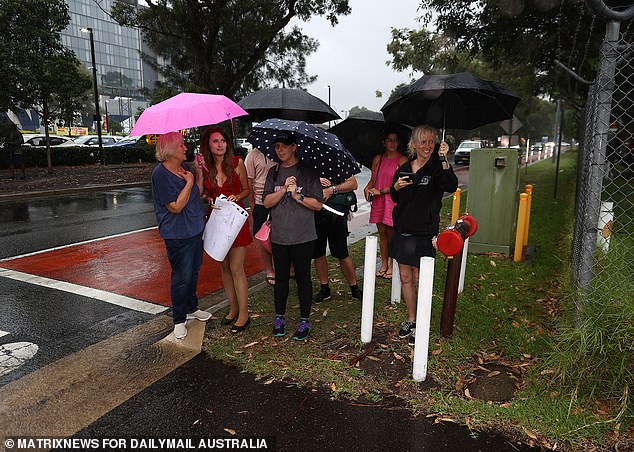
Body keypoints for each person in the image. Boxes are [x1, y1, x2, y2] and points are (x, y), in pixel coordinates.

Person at [389, 125, 458, 345]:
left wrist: (445, 159)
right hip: (402, 231)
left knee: (420, 279)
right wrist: (396, 187)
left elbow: (452, 185)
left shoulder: (438, 167)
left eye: (431, 141)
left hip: (424, 232)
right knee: (405, 278)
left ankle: (423, 322)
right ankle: (412, 319)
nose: (427, 146)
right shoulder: (405, 167)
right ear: (414, 144)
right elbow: (394, 197)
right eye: (423, 142)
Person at [263, 131, 323, 341]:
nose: (279, 150)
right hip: (279, 236)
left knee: (303, 278)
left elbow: (318, 204)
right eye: (277, 146)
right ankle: (280, 317)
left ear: (294, 147)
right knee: (280, 279)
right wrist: (283, 191)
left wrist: (297, 195)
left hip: (304, 236)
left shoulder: (307, 172)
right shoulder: (273, 172)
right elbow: (266, 202)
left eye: (284, 146)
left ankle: (304, 320)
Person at [151, 132, 211, 340]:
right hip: (178, 234)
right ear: (169, 150)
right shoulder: (160, 174)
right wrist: (189, 181)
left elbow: (198, 192)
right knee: (181, 277)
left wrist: (198, 172)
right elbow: (175, 207)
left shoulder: (183, 169)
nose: (185, 148)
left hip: (195, 229)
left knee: (193, 271)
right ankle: (178, 319)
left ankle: (191, 307)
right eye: (181, 145)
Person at [201, 127, 252, 333]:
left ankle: (244, 315)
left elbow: (247, 189)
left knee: (236, 268)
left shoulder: (238, 163)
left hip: (235, 222)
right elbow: (204, 193)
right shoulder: (205, 167)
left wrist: (237, 197)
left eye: (223, 141)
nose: (220, 144)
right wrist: (208, 198)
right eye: (215, 141)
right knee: (224, 268)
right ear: (209, 145)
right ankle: (232, 309)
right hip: (216, 221)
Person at [364, 129, 408, 279]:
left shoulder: (402, 160)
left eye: (395, 140)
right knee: (382, 234)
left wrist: (380, 191)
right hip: (378, 201)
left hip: (392, 200)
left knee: (391, 234)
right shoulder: (378, 159)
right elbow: (373, 179)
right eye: (389, 140)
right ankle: (383, 263)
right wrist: (367, 188)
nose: (392, 143)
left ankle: (391, 264)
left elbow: (400, 184)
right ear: (383, 142)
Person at [312, 174, 362, 303]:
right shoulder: (307, 164)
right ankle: (324, 288)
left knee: (342, 254)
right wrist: (315, 180)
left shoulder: (338, 161)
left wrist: (332, 189)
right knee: (318, 253)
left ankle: (354, 288)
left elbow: (353, 184)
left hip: (336, 215)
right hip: (314, 214)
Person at [245, 146, 277, 285]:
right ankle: (270, 270)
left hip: (280, 201)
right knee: (263, 239)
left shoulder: (281, 151)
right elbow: (248, 181)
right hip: (260, 203)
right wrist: (252, 206)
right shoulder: (253, 155)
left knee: (283, 237)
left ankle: (289, 267)